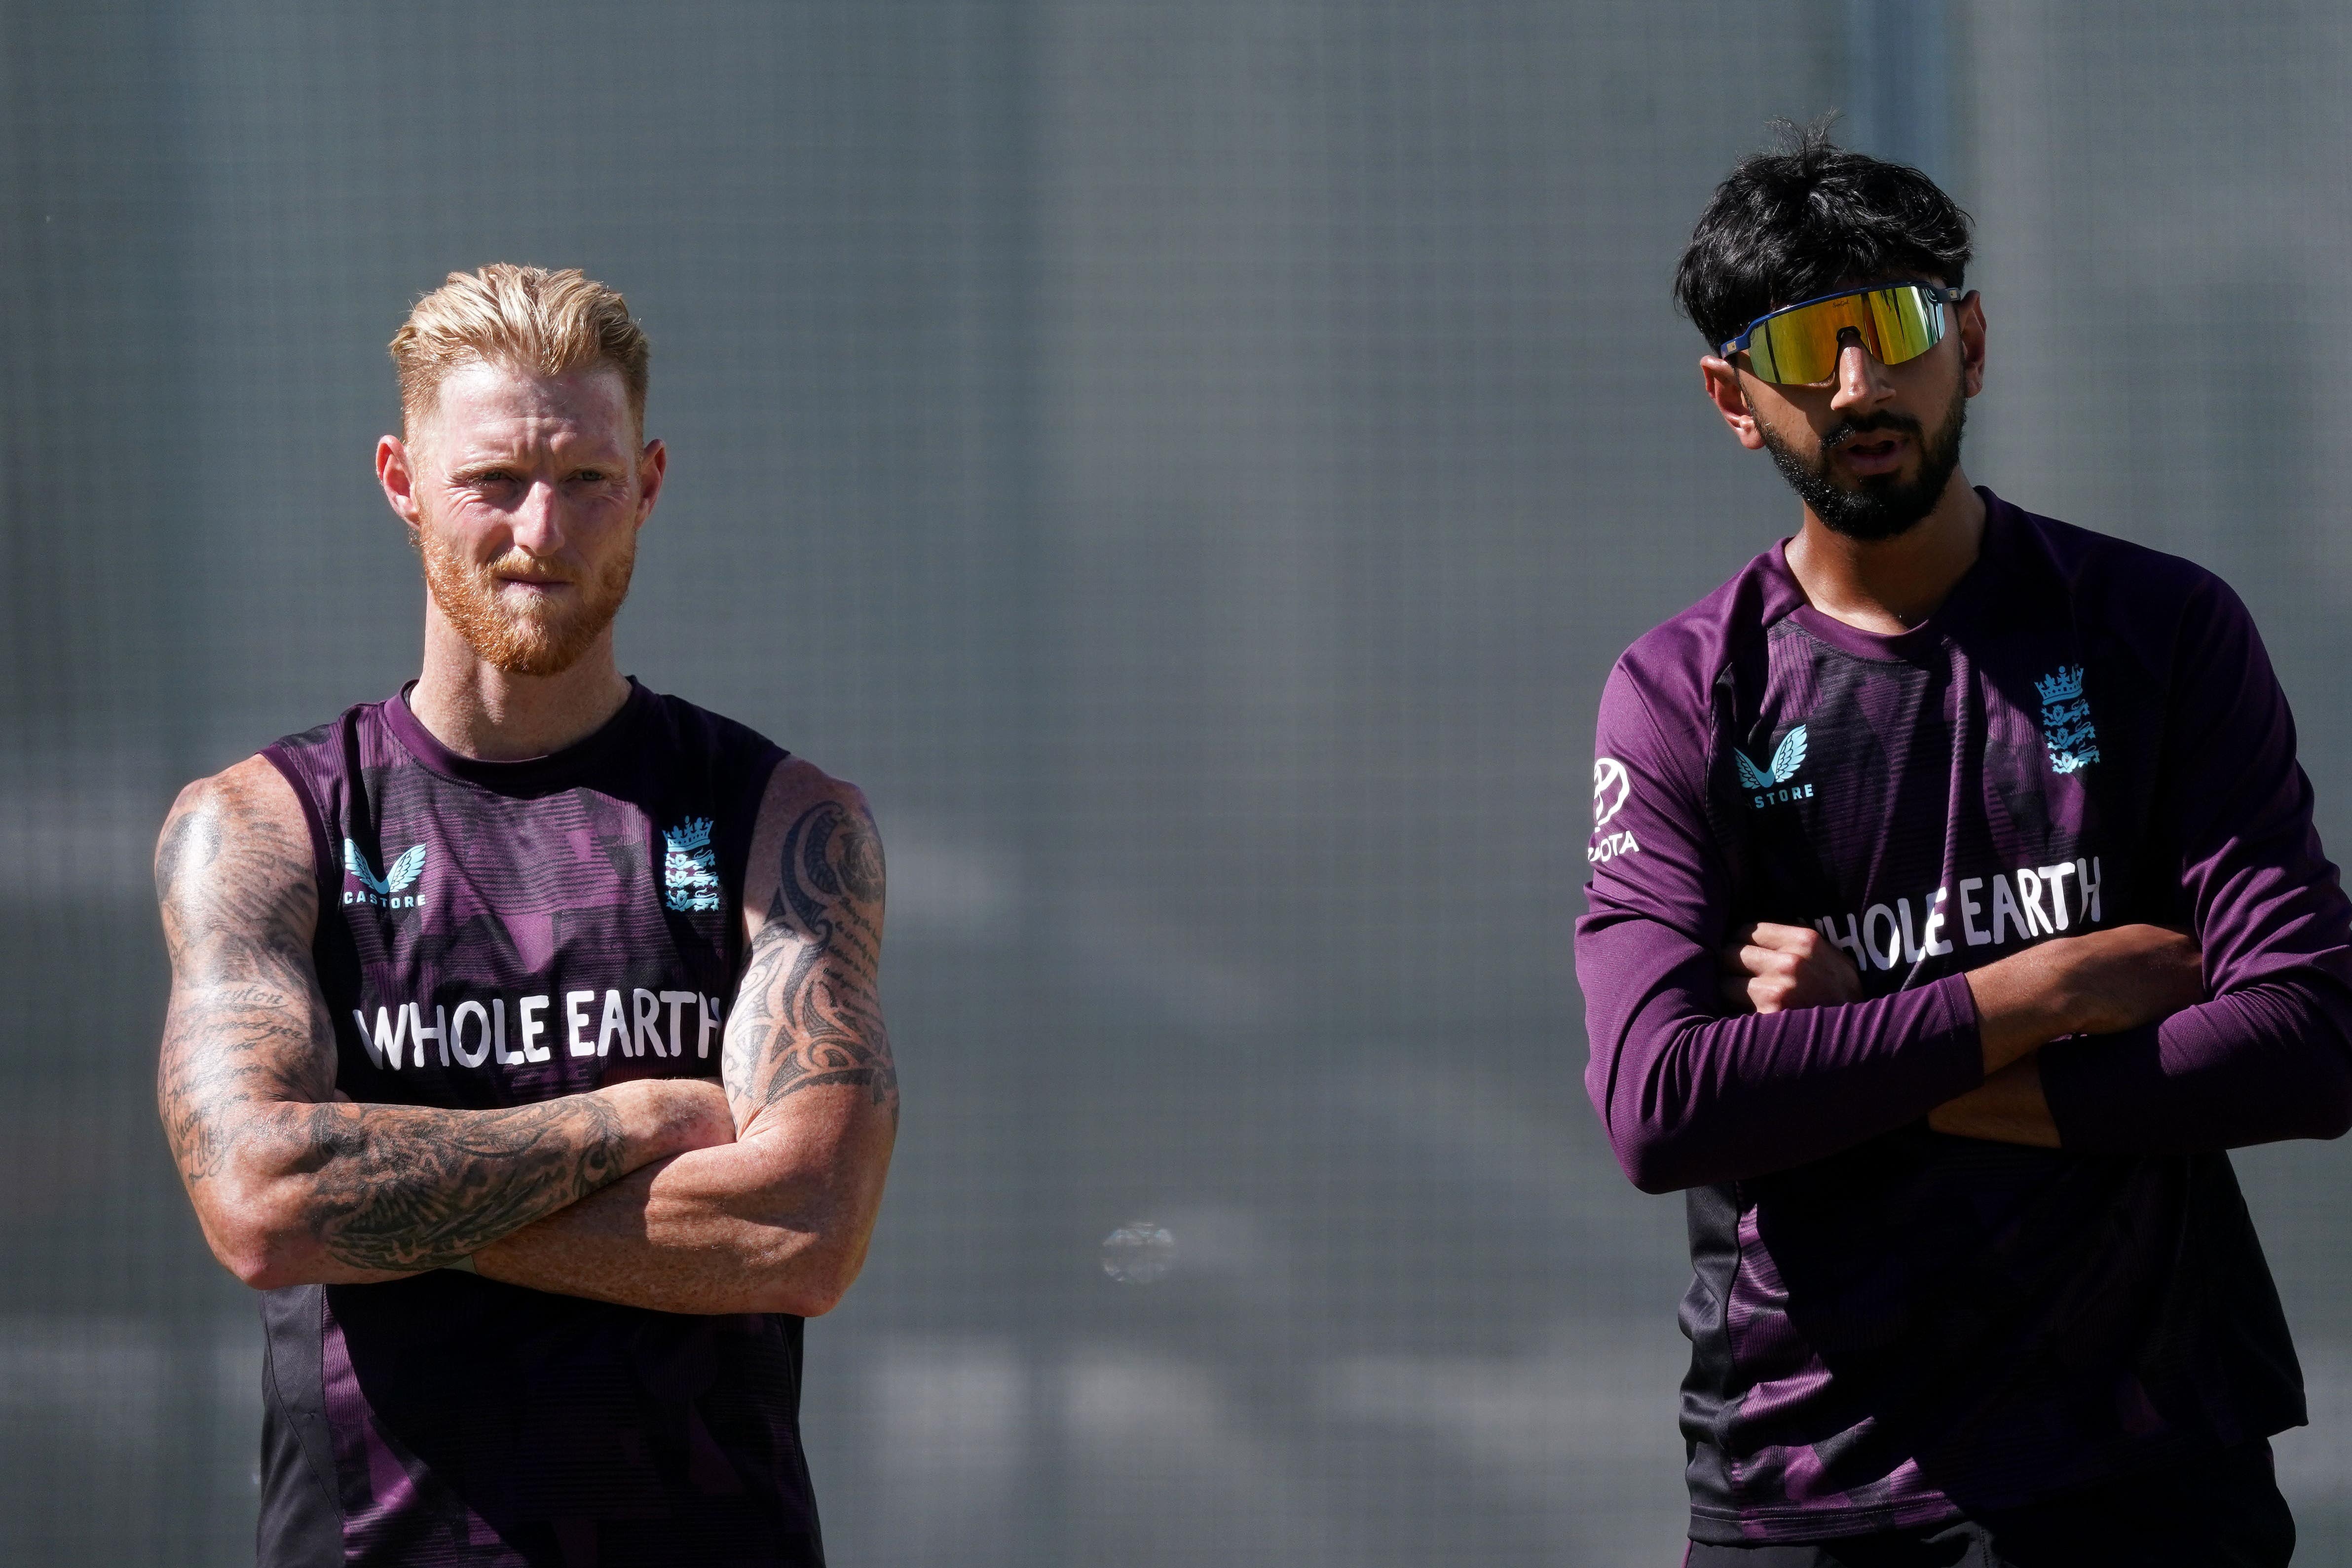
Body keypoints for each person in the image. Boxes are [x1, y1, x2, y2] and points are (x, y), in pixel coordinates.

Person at [1576, 125, 2352, 1565]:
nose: (1861, 383)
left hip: (2146, 1468)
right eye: (1809, 344)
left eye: (1899, 325)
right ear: (1734, 397)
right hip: (1814, 1484)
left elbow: (2308, 1039)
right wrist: (2040, 994)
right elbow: (1661, 1100)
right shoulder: (1686, 690)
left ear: (1973, 342)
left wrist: (1858, 1052)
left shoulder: (2159, 631)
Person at [153, 264, 896, 1567]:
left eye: (588, 481)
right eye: (494, 479)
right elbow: (266, 1206)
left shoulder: (778, 821)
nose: (541, 531)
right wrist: (643, 1119)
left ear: (650, 483)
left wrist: (385, 1202)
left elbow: (801, 1226)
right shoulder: (268, 825)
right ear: (401, 479)